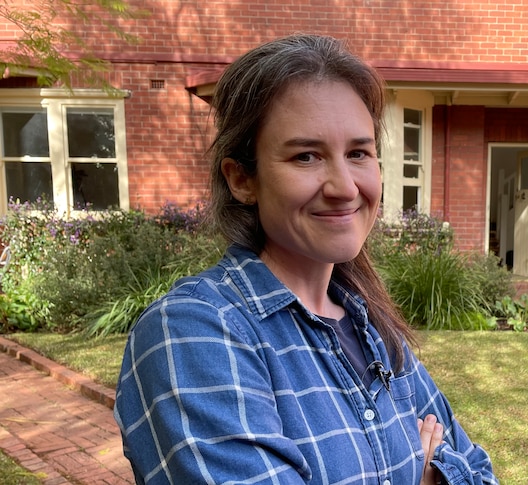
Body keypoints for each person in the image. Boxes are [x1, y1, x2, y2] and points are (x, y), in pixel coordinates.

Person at [113, 34, 498, 485]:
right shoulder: (192, 333)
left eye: (358, 153)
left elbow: (479, 471)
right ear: (241, 179)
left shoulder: (373, 329)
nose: (345, 187)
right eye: (306, 156)